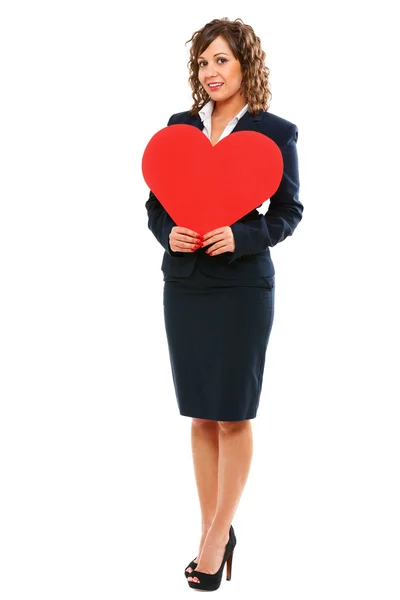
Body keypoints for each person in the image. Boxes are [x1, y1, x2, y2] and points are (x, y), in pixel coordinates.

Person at [145, 17, 303, 591]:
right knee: (201, 412)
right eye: (204, 61)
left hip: (240, 287)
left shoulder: (274, 133)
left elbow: (288, 212)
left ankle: (216, 536)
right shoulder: (179, 129)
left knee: (233, 412)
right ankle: (213, 524)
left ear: (245, 65)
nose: (211, 72)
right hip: (186, 283)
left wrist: (244, 236)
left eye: (222, 61)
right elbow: (155, 205)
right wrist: (170, 233)